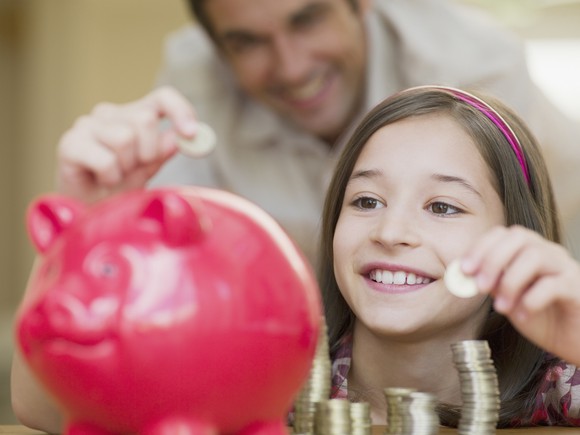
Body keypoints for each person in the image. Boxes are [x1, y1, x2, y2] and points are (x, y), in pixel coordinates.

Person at [55, 0, 580, 266]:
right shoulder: (193, 81)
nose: (291, 67)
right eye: (248, 43)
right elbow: (161, 257)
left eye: (307, 20)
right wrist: (97, 218)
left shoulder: (478, 64)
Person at [319, 86, 580, 427]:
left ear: (515, 235)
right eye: (367, 201)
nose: (390, 233)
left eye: (442, 207)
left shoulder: (561, 385)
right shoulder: (272, 384)